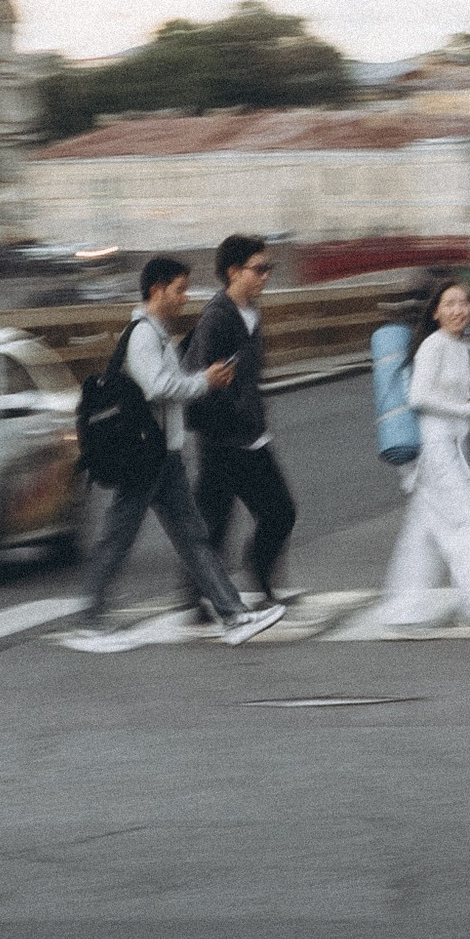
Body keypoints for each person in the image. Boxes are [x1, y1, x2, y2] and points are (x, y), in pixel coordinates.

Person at [61, 255, 285, 652]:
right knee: (119, 538)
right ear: (155, 290)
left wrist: (198, 382)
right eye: (179, 290)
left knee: (195, 539)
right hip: (145, 458)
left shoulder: (158, 335)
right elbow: (158, 386)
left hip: (165, 456)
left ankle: (232, 615)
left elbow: (167, 385)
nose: (185, 298)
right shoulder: (144, 335)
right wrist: (205, 382)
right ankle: (88, 621)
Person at [373, 277, 470, 634]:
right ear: (437, 312)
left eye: (464, 303)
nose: (460, 310)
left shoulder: (458, 347)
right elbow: (419, 397)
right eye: (451, 304)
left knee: (424, 534)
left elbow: (450, 398)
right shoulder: (435, 345)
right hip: (436, 452)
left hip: (449, 449)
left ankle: (402, 611)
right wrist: (467, 410)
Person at [187, 235, 299, 611]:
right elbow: (210, 379)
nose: (266, 276)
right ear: (233, 272)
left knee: (279, 511)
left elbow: (249, 377)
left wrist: (253, 415)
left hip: (250, 434)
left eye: (269, 268)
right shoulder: (217, 317)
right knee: (214, 522)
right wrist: (236, 415)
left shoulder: (253, 313)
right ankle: (197, 599)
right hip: (221, 437)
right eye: (259, 268)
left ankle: (258, 577)